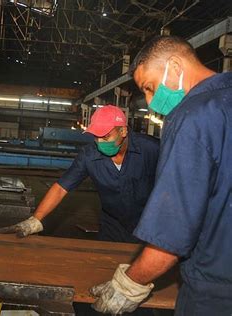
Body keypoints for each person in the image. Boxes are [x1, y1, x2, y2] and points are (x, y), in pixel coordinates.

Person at [90, 35, 232, 315]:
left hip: (214, 293)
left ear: (175, 66)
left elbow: (171, 235)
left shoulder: (192, 117)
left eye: (150, 88)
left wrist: (126, 286)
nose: (151, 102)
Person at [0, 105, 160, 243]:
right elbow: (61, 188)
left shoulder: (151, 149)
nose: (100, 142)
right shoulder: (89, 155)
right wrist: (35, 220)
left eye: (106, 136)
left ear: (123, 131)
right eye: (96, 137)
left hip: (150, 227)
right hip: (112, 227)